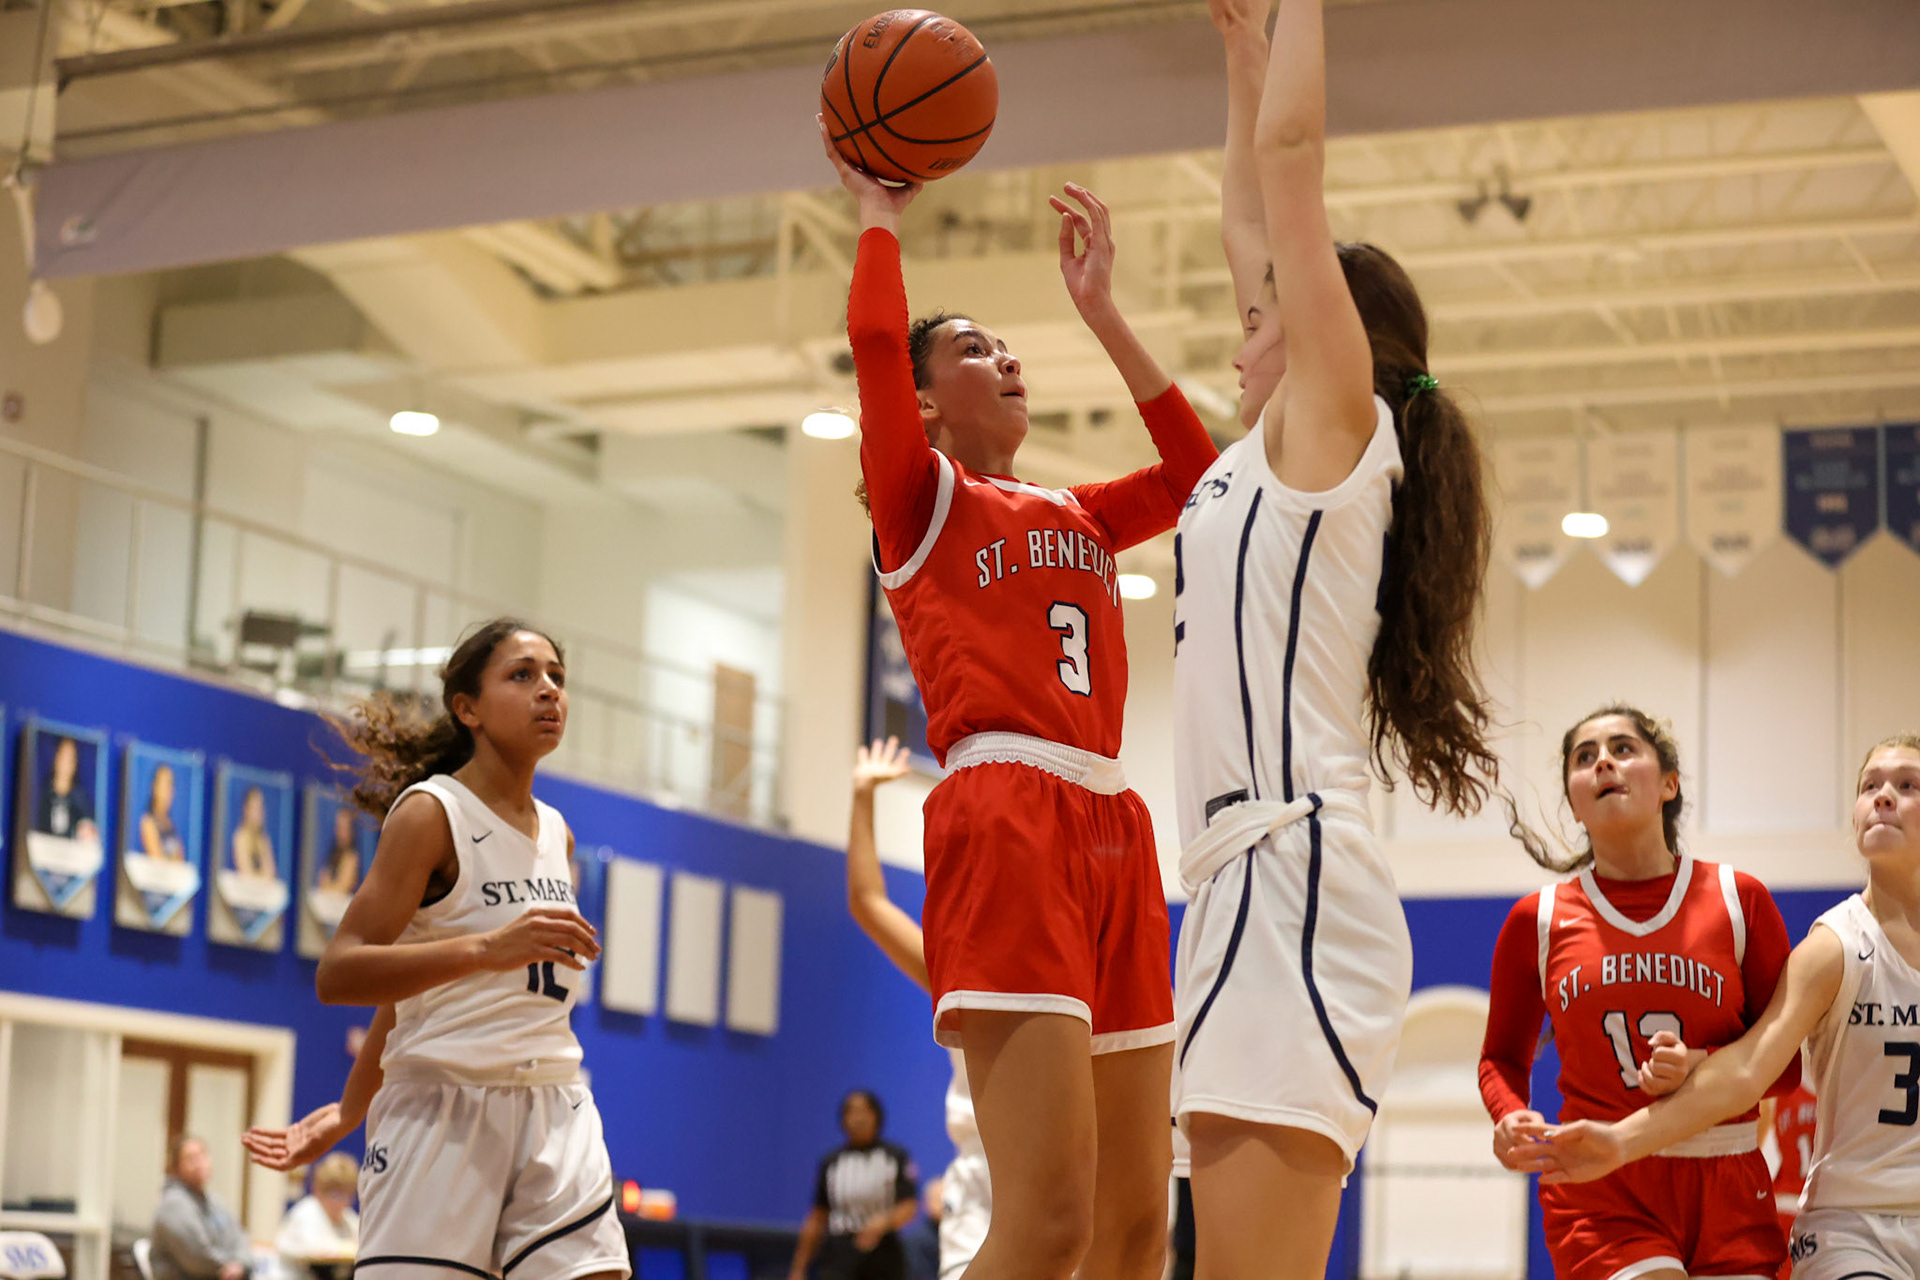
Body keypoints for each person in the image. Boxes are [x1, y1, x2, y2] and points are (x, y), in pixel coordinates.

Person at [821, 86, 1217, 1280]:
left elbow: (1202, 472)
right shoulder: (921, 500)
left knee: (1136, 1234)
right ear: (930, 403)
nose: (1006, 355)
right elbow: (878, 346)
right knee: (1045, 1226)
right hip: (1005, 805)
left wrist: (1103, 311)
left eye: (1007, 340)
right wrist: (879, 214)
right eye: (974, 347)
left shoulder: (1078, 509)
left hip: (1111, 816)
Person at [1171, 3, 1500, 1279]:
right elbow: (1251, 206)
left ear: (1325, 337)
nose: (1241, 318)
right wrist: (1239, 51)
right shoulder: (1258, 462)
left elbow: (1291, 170)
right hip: (1230, 883)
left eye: (1268, 307)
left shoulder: (1334, 437)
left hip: (1293, 870)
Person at [309, 617, 627, 1280]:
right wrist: (486, 949)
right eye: (523, 675)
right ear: (468, 708)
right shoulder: (432, 814)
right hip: (442, 1109)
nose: (549, 691)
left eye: (557, 678)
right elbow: (340, 973)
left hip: (556, 1103)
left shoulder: (558, 834)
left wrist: (345, 1109)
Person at [1538, 733, 1920, 1280]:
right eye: (1869, 786)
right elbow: (1746, 1072)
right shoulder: (1833, 947)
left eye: (1907, 785)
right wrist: (1621, 1141)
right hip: (1857, 1228)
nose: (1883, 797)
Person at [1479, 706, 1798, 1280]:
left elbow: (1788, 1068)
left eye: (1623, 748)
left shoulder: (1738, 898)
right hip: (1604, 1185)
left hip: (1727, 1174)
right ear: (1574, 804)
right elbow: (1500, 1058)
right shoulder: (1539, 920)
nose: (1603, 760)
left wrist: (1700, 1063)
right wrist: (1508, 1114)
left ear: (1668, 784)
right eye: (1584, 757)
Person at [842, 737, 989, 1280]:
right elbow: (868, 901)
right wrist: (862, 795)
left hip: (1067, 1194)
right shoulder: (957, 965)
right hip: (979, 1200)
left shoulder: (1077, 954)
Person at [788, 1090, 920, 1280]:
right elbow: (818, 1216)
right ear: (843, 1120)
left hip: (883, 1253)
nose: (859, 1119)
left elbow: (909, 1205)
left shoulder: (896, 1157)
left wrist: (883, 1222)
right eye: (852, 1112)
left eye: (865, 1112)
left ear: (877, 1116)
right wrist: (798, 1269)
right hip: (839, 1254)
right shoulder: (831, 1162)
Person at [151, 1135, 252, 1280]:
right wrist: (230, 1265)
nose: (200, 1163)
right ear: (176, 1167)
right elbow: (197, 1257)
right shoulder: (173, 1204)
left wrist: (241, 1264)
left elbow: (239, 1239)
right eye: (191, 1158)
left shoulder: (214, 1202)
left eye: (203, 1155)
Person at [274, 1153, 358, 1277]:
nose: (341, 1202)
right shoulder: (305, 1212)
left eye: (347, 1195)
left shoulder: (347, 1217)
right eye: (335, 1194)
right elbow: (315, 1252)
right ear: (318, 1191)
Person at [35, 735, 97, 842]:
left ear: (75, 765)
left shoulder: (81, 801)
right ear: (56, 758)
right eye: (63, 757)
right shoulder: (40, 794)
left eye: (70, 759)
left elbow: (90, 831)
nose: (65, 764)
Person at [141, 764, 186, 861]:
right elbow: (157, 859)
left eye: (171, 784)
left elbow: (181, 859)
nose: (169, 790)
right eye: (165, 784)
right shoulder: (148, 822)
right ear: (154, 787)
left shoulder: (170, 824)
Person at [232, 787, 277, 879]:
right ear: (246, 810)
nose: (258, 813)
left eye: (260, 808)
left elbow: (271, 871)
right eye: (254, 808)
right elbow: (245, 872)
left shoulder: (263, 839)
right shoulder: (240, 837)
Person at [315, 807, 361, 895]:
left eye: (344, 828)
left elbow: (342, 889)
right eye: (338, 827)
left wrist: (328, 887)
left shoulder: (352, 857)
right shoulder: (332, 855)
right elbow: (322, 880)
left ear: (351, 831)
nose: (340, 832)